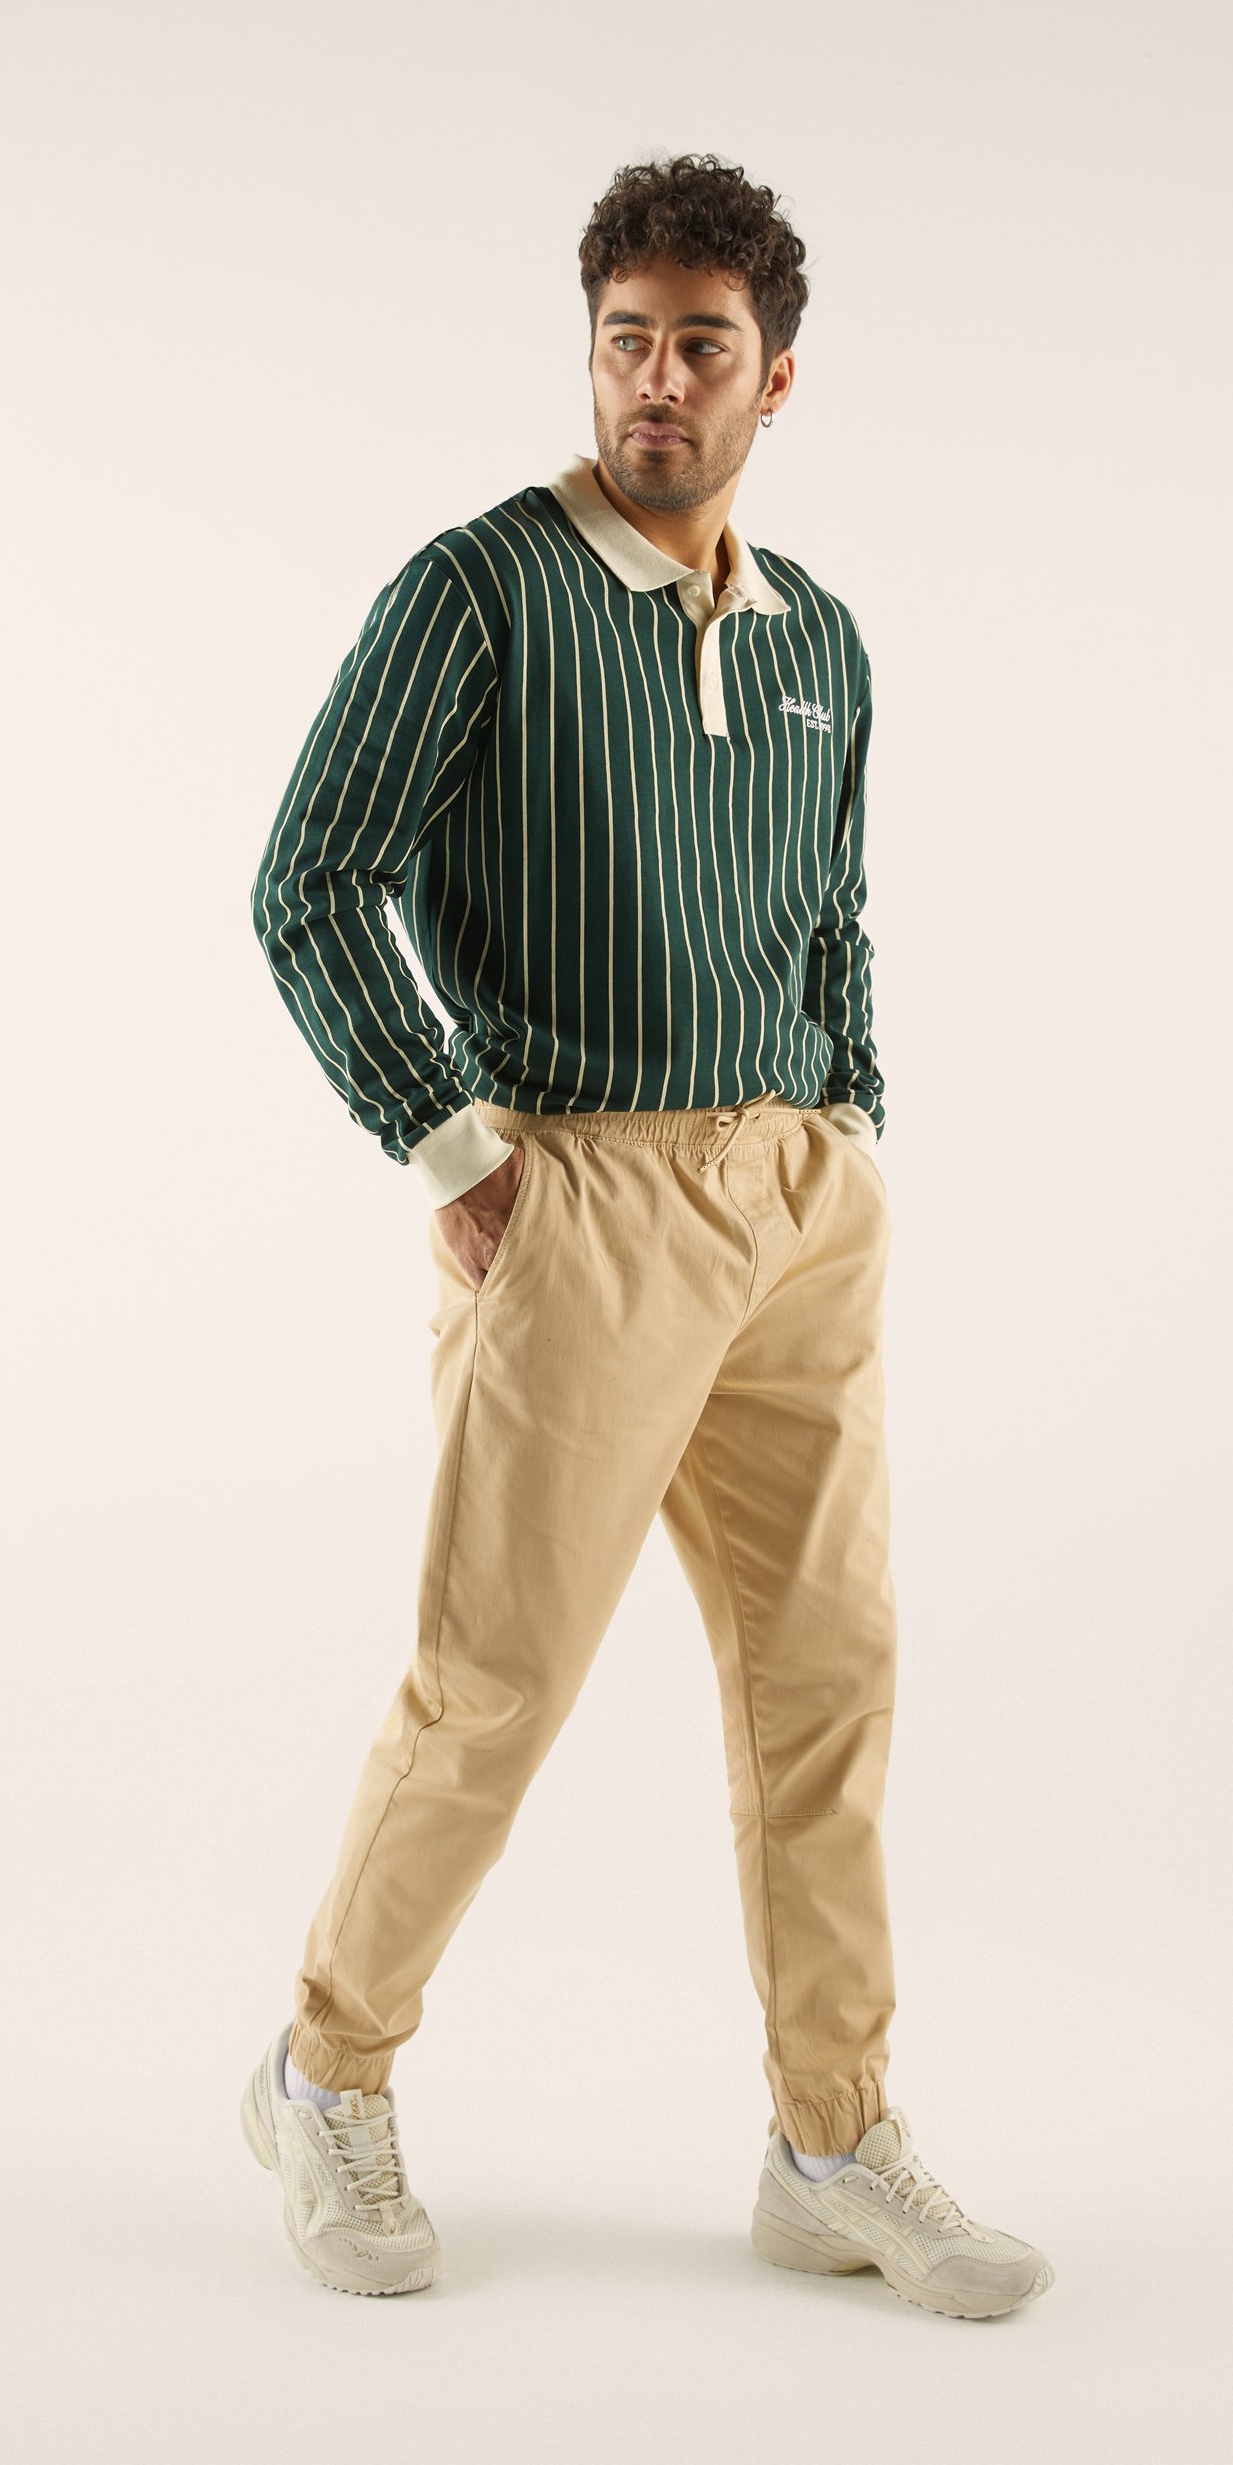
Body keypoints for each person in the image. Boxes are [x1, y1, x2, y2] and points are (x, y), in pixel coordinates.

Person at [240, 153, 1053, 2320]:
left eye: (701, 345)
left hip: (795, 1206)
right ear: (589, 352)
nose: (656, 382)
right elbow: (309, 878)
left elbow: (832, 911)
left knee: (827, 1689)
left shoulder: (820, 639)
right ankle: (324, 2071)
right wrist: (457, 1153)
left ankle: (829, 2135)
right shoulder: (479, 592)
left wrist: (845, 1118)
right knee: (495, 1685)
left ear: (776, 378)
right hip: (576, 1198)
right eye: (625, 341)